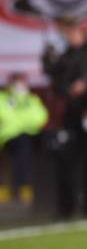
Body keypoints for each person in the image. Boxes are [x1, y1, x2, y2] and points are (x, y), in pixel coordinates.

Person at [42, 15, 87, 219]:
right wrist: (48, 60)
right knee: (66, 158)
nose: (69, 37)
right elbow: (56, 77)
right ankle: (66, 207)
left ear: (79, 30)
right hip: (71, 113)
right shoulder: (66, 52)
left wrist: (86, 82)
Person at [0, 72, 48, 205]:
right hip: (7, 137)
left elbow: (41, 117)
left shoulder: (31, 99)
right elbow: (4, 116)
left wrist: (19, 120)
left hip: (31, 136)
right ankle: (22, 185)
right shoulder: (3, 98)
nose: (19, 86)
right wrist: (24, 121)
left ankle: (28, 185)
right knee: (22, 145)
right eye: (16, 83)